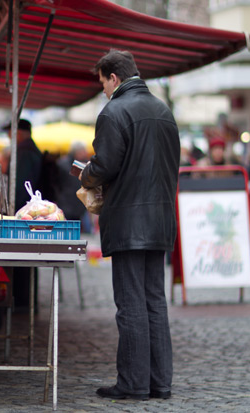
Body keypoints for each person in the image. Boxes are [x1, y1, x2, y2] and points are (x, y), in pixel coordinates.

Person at [80, 49, 178, 401]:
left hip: (128, 219)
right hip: (161, 219)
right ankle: (159, 382)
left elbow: (105, 165)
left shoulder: (114, 111)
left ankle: (134, 383)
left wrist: (85, 173)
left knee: (131, 303)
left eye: (103, 83)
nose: (103, 91)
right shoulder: (164, 111)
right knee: (155, 300)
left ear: (114, 78)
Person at [2, 118, 43, 310]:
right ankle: (25, 301)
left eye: (10, 133)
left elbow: (21, 187)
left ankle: (23, 302)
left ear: (18, 133)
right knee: (27, 259)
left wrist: (13, 210)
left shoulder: (25, 153)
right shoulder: (29, 150)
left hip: (25, 213)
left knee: (23, 258)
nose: (9, 137)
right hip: (30, 212)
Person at [53, 141, 91, 232]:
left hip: (79, 204)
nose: (85, 154)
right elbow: (55, 183)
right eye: (82, 152)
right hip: (65, 203)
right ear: (76, 152)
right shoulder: (62, 164)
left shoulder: (86, 164)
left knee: (75, 230)